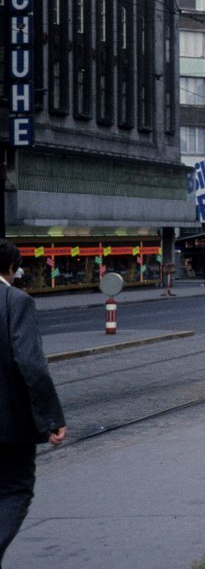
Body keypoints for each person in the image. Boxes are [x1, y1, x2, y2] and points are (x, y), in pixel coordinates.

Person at [0, 239, 66, 564]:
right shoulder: (16, 301)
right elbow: (31, 364)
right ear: (12, 268)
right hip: (8, 424)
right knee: (15, 490)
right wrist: (53, 417)